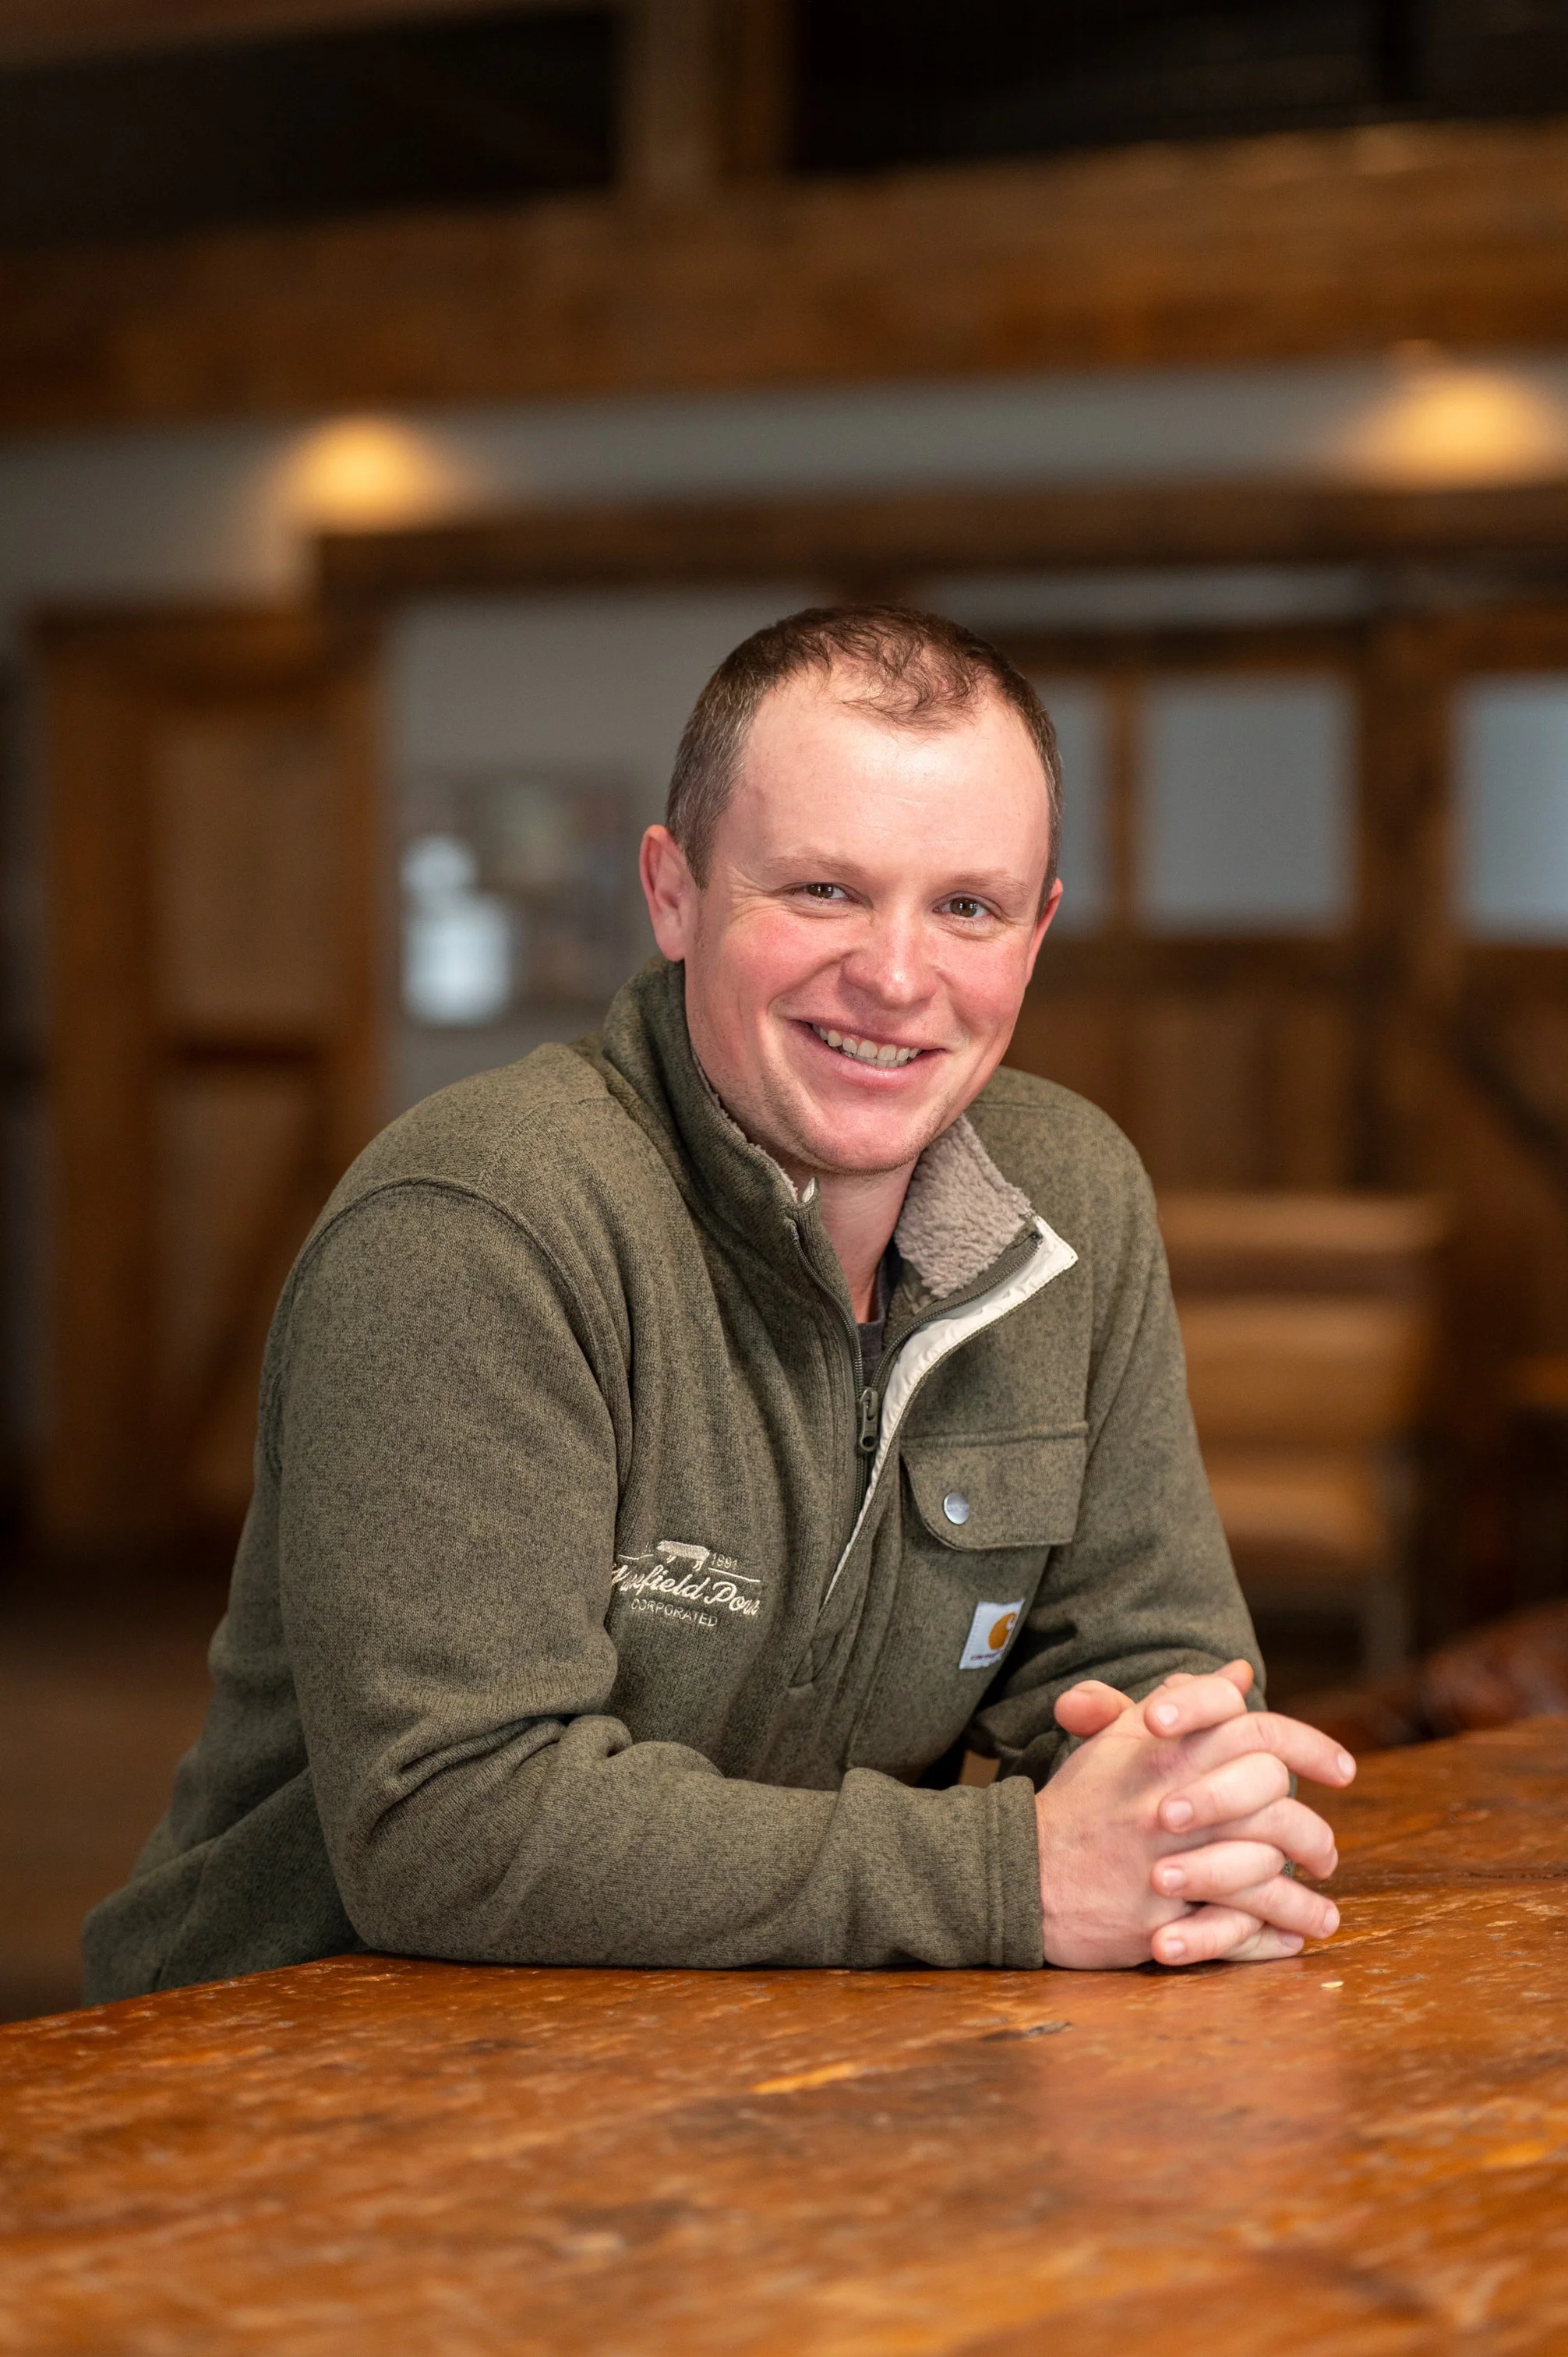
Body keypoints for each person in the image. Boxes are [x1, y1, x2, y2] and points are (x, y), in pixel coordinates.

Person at [84, 606, 1351, 2002]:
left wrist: (1178, 1812)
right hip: (289, 2076)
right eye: (822, 890)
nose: (896, 975)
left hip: (755, 2051)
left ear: (1038, 935)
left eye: (968, 906)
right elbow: (449, 1822)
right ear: (673, 891)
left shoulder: (1076, 1198)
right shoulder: (475, 1227)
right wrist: (1017, 1875)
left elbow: (1159, 1668)